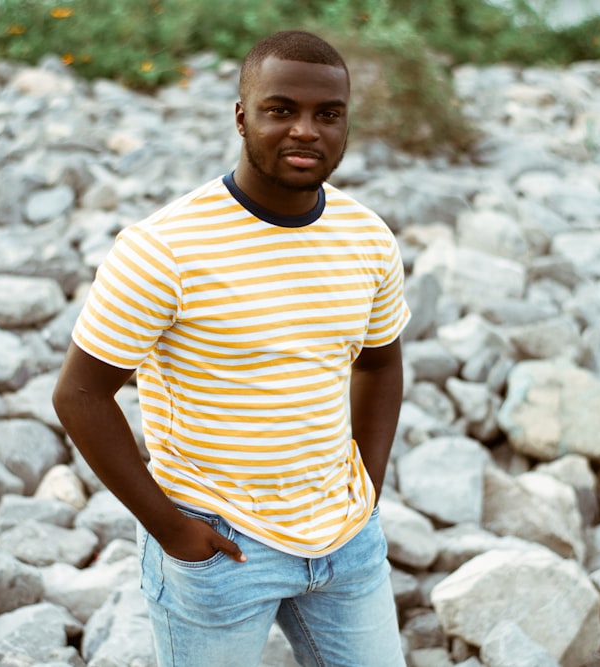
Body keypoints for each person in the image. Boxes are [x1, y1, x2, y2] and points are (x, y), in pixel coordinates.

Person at [53, 29, 411, 667]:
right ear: (242, 116)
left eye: (327, 115)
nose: (307, 130)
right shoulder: (163, 249)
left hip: (349, 539)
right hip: (219, 547)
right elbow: (80, 395)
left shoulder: (367, 237)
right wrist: (171, 530)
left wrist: (369, 484)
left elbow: (380, 364)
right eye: (282, 110)